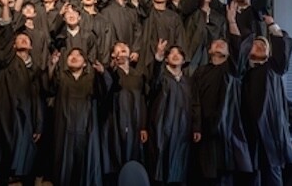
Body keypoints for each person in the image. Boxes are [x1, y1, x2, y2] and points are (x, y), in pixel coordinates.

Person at [191, 3, 253, 186]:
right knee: (205, 175)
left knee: (225, 175)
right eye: (215, 42)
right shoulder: (200, 71)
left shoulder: (232, 70)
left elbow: (238, 49)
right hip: (205, 130)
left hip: (227, 128)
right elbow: (194, 100)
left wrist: (231, 21)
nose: (219, 43)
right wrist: (196, 127)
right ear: (209, 50)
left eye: (223, 44)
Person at [0, 0, 43, 186]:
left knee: (27, 162)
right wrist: (5, 7)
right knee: (4, 159)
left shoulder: (35, 69)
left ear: (32, 46)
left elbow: (38, 99)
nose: (23, 40)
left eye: (26, 39)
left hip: (26, 118)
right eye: (19, 39)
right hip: (5, 115)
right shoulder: (7, 61)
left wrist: (38, 124)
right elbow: (5, 31)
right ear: (12, 45)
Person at [239, 15, 292, 186]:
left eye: (263, 45)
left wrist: (271, 25)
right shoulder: (242, 73)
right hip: (250, 131)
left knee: (272, 173)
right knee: (252, 175)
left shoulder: (273, 68)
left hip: (271, 130)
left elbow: (281, 48)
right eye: (255, 44)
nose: (260, 46)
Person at [46, 46, 111, 186]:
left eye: (78, 55)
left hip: (86, 129)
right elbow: (48, 87)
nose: (74, 57)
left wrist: (102, 73)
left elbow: (105, 92)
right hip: (64, 130)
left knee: (84, 170)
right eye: (71, 55)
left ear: (85, 63)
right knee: (64, 169)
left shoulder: (91, 79)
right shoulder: (61, 77)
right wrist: (52, 66)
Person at [148, 40, 197, 185]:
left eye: (179, 53)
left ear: (184, 60)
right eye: (171, 53)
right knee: (160, 167)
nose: (175, 55)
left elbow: (195, 105)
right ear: (166, 59)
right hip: (162, 128)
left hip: (182, 130)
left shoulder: (189, 83)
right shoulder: (162, 78)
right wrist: (158, 57)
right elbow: (155, 79)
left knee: (179, 168)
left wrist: (196, 127)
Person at [102, 42, 148, 182]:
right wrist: (110, 70)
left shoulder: (138, 75)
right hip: (115, 122)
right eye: (118, 48)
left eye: (124, 48)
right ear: (112, 54)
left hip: (134, 122)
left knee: (133, 158)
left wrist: (143, 126)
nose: (122, 48)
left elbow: (142, 101)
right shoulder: (109, 73)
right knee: (116, 157)